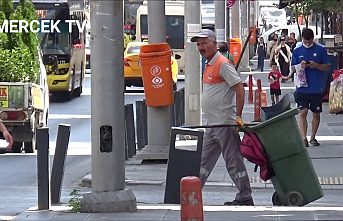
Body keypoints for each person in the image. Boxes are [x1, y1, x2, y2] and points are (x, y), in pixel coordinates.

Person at [191, 29, 254, 206]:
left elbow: (239, 89)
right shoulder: (209, 64)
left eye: (204, 43)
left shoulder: (222, 64)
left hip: (224, 123)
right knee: (202, 161)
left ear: (214, 44)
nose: (200, 47)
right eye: (198, 44)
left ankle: (245, 196)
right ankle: (191, 193)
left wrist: (238, 116)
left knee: (233, 162)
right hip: (212, 124)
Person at [291, 28, 330, 147]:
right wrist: (300, 66)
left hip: (316, 87)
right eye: (305, 42)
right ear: (301, 39)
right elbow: (292, 68)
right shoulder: (297, 50)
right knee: (303, 111)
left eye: (309, 42)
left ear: (313, 39)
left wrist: (316, 65)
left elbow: (327, 67)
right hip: (302, 87)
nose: (307, 44)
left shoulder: (321, 50)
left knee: (316, 113)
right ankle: (303, 137)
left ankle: (313, 137)